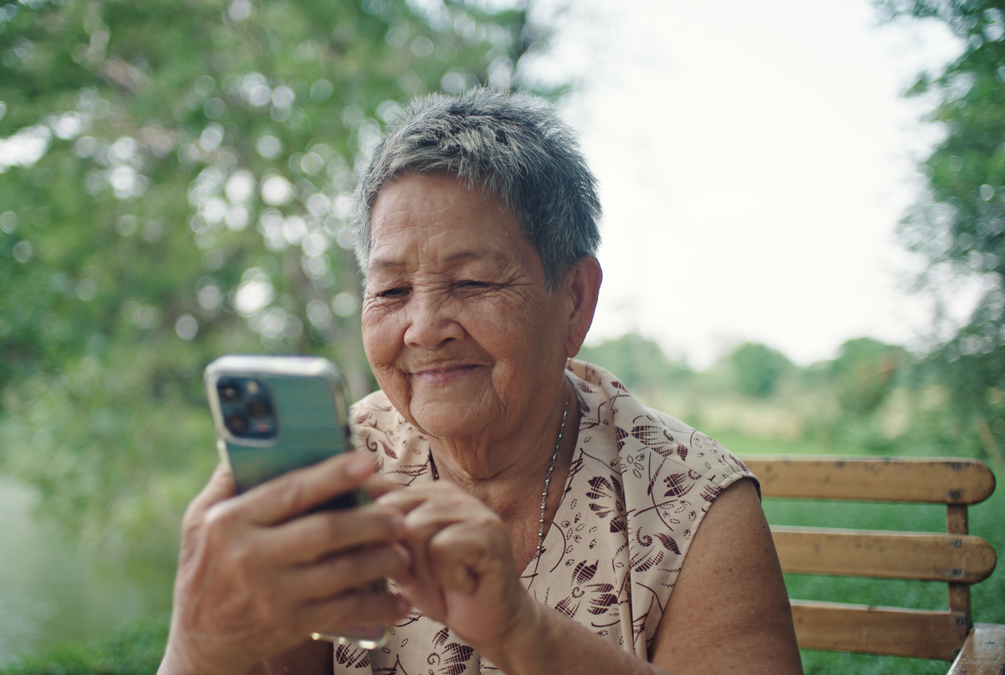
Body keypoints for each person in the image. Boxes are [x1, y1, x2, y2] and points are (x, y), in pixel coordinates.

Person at [159, 89, 803, 675]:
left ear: (574, 300)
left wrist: (521, 632)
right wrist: (197, 647)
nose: (424, 328)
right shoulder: (338, 471)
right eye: (391, 289)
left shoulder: (692, 502)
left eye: (472, 282)